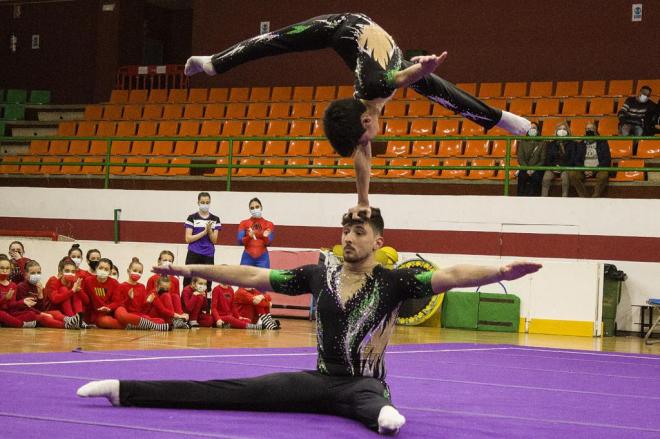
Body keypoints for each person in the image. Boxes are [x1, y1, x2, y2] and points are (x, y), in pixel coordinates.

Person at [77, 208, 541, 435]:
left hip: (364, 383)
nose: (348, 238)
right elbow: (252, 274)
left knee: (374, 404)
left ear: (379, 240)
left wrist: (499, 271)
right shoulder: (320, 273)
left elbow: (451, 275)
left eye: (359, 232)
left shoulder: (397, 281)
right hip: (318, 381)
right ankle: (124, 389)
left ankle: (380, 415)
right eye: (344, 231)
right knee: (233, 391)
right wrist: (190, 269)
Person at [183, 13, 531, 215]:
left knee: (277, 39)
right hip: (355, 45)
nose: (370, 144)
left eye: (365, 138)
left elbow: (398, 77)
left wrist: (423, 68)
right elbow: (361, 156)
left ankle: (214, 64)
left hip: (342, 24)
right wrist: (363, 200)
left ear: (366, 121)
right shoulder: (362, 112)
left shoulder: (375, 87)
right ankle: (213, 62)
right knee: (276, 42)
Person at [14, 260, 81, 329]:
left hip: (37, 312)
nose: (36, 275)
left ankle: (70, 320)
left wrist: (40, 295)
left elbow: (42, 309)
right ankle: (66, 325)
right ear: (26, 275)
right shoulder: (21, 286)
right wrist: (41, 313)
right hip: (26, 314)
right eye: (33, 273)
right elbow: (24, 308)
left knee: (56, 313)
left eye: (38, 273)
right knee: (44, 317)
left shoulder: (39, 286)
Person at [114, 258, 170, 331]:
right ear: (128, 271)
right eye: (134, 270)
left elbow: (143, 310)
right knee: (124, 316)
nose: (137, 273)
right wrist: (129, 298)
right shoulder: (122, 286)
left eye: (140, 272)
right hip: (128, 314)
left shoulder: (142, 287)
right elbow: (120, 307)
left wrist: (148, 302)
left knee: (160, 321)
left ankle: (134, 325)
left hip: (139, 316)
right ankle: (149, 326)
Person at [184, 192, 221, 287]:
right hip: (193, 252)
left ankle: (207, 301)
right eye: (203, 202)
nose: (205, 204)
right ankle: (185, 300)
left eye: (207, 202)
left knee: (208, 281)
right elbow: (188, 239)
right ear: (198, 202)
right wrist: (203, 233)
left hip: (208, 254)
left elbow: (214, 241)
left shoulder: (215, 219)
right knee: (188, 279)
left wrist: (209, 231)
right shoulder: (191, 217)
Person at [568, 122, 611, 198]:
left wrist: (594, 170)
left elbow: (606, 159)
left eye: (591, 128)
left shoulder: (602, 142)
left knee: (604, 175)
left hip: (598, 169)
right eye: (587, 129)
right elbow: (576, 160)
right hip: (584, 169)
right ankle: (585, 197)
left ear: (595, 130)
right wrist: (584, 169)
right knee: (572, 174)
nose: (589, 130)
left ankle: (595, 196)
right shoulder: (581, 143)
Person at [81, 258, 121, 329]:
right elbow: (85, 300)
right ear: (96, 268)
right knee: (105, 321)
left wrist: (108, 307)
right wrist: (79, 290)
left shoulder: (114, 283)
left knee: (121, 315)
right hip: (95, 315)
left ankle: (128, 325)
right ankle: (127, 326)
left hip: (110, 313)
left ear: (110, 272)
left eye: (106, 269)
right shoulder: (88, 281)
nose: (103, 271)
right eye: (101, 268)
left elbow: (117, 302)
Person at [0, 255, 38, 328]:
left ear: (10, 270)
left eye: (7, 268)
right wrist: (5, 299)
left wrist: (23, 302)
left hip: (10, 314)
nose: (5, 271)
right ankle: (21, 324)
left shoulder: (13, 285)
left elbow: (12, 306)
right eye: (2, 268)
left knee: (31, 314)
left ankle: (8, 322)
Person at [237, 197, 275, 268]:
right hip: (247, 257)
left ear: (261, 207)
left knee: (263, 278)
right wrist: (249, 237)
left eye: (257, 207)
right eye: (252, 208)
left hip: (263, 258)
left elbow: (269, 243)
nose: (255, 209)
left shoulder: (269, 224)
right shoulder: (243, 223)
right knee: (243, 278)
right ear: (249, 210)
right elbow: (239, 241)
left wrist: (264, 236)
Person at [542, 122, 576, 197]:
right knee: (546, 178)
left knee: (565, 179)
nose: (562, 131)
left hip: (565, 168)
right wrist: (554, 167)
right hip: (552, 167)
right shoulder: (551, 144)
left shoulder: (572, 144)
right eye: (560, 129)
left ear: (568, 131)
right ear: (556, 131)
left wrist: (562, 167)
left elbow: (572, 159)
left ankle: (564, 199)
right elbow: (547, 159)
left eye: (564, 129)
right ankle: (543, 199)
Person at [516, 122, 545, 196]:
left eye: (534, 128)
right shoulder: (523, 142)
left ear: (538, 130)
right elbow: (520, 157)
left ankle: (532, 199)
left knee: (536, 177)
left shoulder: (542, 142)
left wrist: (533, 169)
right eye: (530, 128)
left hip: (536, 168)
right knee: (521, 176)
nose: (532, 130)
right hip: (525, 167)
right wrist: (527, 169)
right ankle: (519, 198)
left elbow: (542, 159)